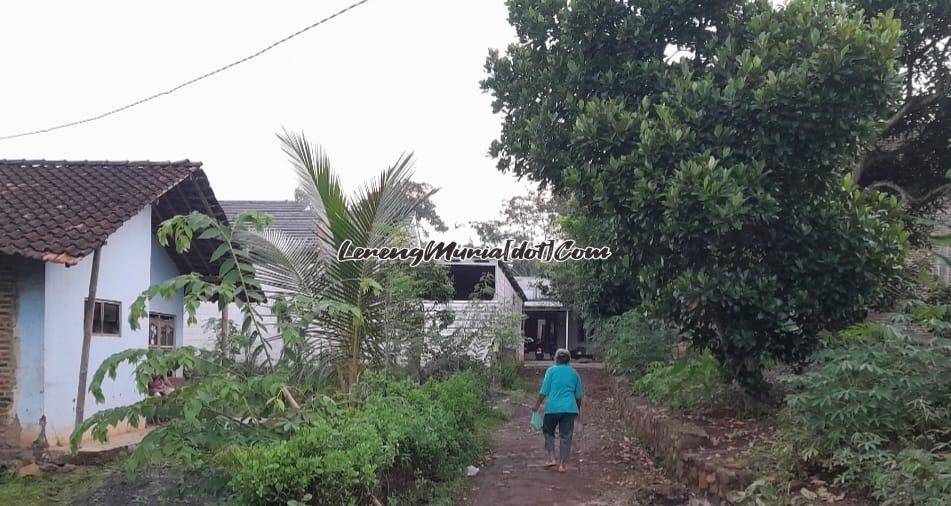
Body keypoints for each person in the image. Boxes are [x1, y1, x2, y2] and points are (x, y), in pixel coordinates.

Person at [531, 348, 583, 472]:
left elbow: (544, 391)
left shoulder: (551, 371)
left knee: (548, 433)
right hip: (569, 409)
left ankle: (552, 458)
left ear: (556, 359)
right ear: (569, 360)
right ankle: (563, 465)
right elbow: (578, 396)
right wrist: (577, 411)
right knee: (566, 436)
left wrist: (537, 405)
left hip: (552, 409)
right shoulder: (574, 373)